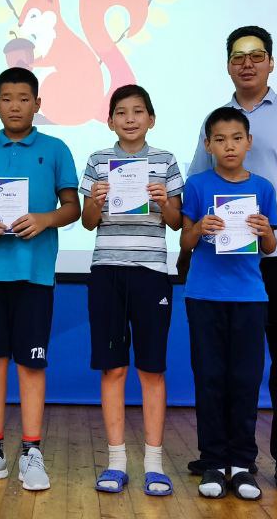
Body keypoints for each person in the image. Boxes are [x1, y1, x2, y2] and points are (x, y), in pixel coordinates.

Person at [184, 25, 277, 491]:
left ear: (271, 62)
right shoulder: (215, 121)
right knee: (223, 365)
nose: (247, 63)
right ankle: (223, 455)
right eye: (238, 56)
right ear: (228, 64)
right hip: (224, 262)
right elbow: (195, 187)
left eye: (256, 55)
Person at [0, 67, 80, 492]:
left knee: (31, 361)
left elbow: (73, 206)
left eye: (24, 98)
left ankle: (31, 451)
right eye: (6, 98)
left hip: (35, 275)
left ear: (38, 104)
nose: (15, 106)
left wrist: (45, 219)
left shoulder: (56, 149)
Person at [78, 84, 182, 496]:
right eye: (121, 112)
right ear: (110, 121)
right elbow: (88, 221)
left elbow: (176, 221)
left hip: (151, 272)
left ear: (151, 119)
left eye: (138, 111)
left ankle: (154, 464)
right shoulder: (97, 161)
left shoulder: (165, 161)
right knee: (113, 368)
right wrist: (96, 200)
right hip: (107, 270)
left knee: (152, 369)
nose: (130, 119)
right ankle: (116, 461)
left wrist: (164, 201)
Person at [180, 106, 277, 501]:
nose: (229, 146)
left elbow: (270, 246)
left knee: (245, 380)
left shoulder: (264, 189)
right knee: (209, 379)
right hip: (204, 296)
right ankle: (212, 461)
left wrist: (264, 230)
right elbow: (185, 240)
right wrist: (199, 228)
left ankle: (241, 463)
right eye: (220, 139)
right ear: (208, 145)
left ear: (249, 142)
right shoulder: (197, 185)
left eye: (237, 138)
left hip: (250, 298)